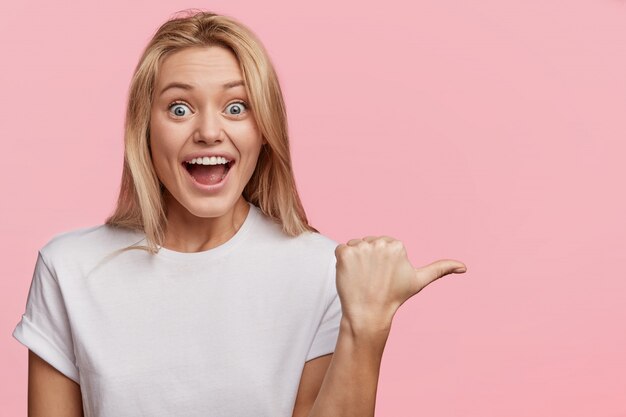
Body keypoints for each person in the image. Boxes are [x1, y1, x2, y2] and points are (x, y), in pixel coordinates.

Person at [13, 9, 467, 417]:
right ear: (144, 129)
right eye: (179, 108)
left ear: (264, 129)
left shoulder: (322, 272)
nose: (209, 131)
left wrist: (365, 326)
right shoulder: (70, 269)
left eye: (236, 107)